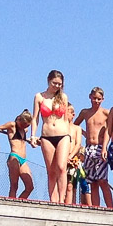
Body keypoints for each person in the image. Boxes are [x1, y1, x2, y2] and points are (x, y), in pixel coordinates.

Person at [35, 71, 75, 203]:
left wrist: (70, 137)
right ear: (48, 80)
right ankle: (53, 199)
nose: (57, 86)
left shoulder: (63, 97)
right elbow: (35, 119)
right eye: (54, 83)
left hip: (63, 134)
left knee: (62, 167)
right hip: (46, 136)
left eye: (59, 84)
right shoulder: (40, 97)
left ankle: (62, 198)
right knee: (51, 170)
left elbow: (66, 120)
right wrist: (33, 135)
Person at [74, 88, 113, 208]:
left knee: (103, 180)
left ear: (103, 99)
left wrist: (105, 147)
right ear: (90, 97)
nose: (96, 101)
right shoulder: (85, 112)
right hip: (88, 148)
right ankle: (95, 207)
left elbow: (111, 128)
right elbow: (75, 125)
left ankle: (110, 207)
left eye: (99, 99)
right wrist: (83, 133)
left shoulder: (106, 113)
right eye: (94, 98)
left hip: (100, 147)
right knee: (93, 182)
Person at [0, 110, 36, 200]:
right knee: (14, 185)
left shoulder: (24, 129)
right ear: (18, 119)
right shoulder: (12, 125)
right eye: (23, 124)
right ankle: (11, 205)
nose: (24, 127)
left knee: (30, 187)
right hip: (14, 156)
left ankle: (18, 203)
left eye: (27, 125)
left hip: (23, 160)